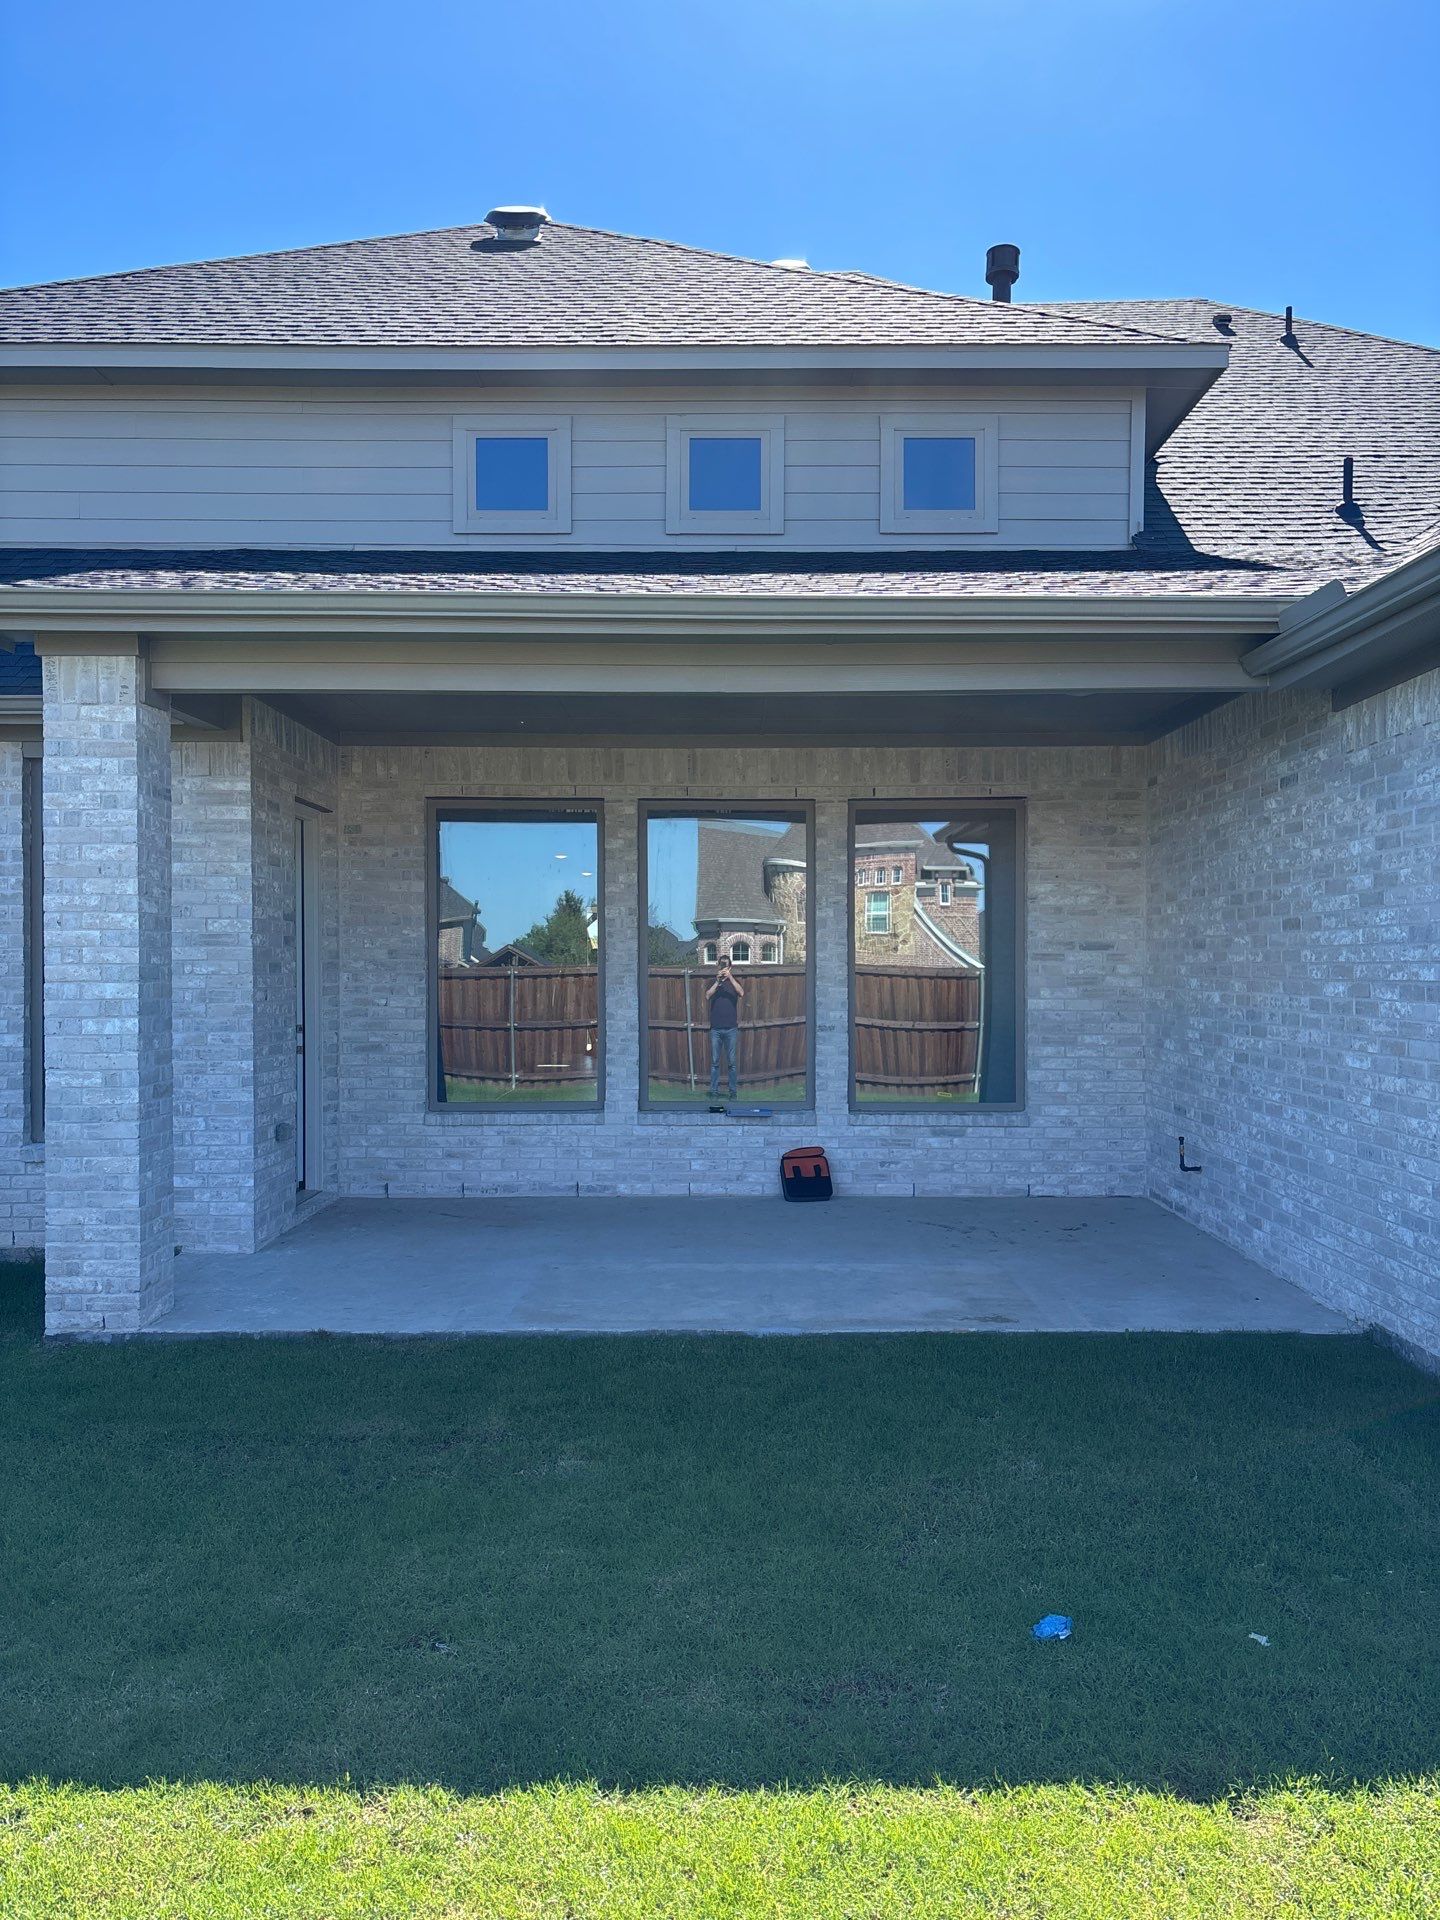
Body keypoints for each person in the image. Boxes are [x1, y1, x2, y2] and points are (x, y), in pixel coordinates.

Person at [705, 956, 745, 1100]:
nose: (723, 969)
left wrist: (731, 978)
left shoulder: (734, 983)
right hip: (715, 1029)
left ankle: (733, 1092)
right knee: (715, 1063)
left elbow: (741, 993)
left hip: (731, 1029)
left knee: (732, 1063)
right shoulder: (713, 982)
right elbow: (707, 996)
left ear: (730, 967)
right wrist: (717, 981)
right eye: (721, 966)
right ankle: (714, 1091)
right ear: (718, 967)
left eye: (726, 966)